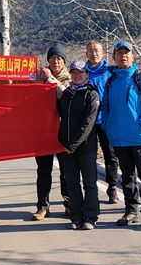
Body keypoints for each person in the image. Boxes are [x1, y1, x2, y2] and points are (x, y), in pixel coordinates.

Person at [101, 41, 141, 231]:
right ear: (114, 57)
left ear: (132, 56)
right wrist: (108, 125)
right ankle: (131, 211)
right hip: (119, 139)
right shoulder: (111, 81)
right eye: (119, 53)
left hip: (140, 137)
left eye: (126, 53)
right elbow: (105, 106)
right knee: (127, 177)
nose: (123, 56)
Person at [58, 61, 101, 230]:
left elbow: (88, 123)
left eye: (80, 72)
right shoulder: (66, 94)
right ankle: (76, 216)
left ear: (87, 75)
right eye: (74, 72)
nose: (77, 75)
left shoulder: (91, 94)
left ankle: (91, 216)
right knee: (72, 183)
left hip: (85, 146)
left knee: (89, 183)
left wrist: (73, 144)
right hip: (67, 147)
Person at [32, 44, 71, 221]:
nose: (56, 61)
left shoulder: (71, 77)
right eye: (52, 58)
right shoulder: (38, 78)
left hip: (64, 131)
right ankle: (42, 206)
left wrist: (51, 80)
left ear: (64, 61)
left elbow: (67, 96)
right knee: (43, 170)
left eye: (59, 58)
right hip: (43, 131)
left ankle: (69, 205)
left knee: (66, 171)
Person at [85, 41, 120, 204]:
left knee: (111, 155)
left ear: (103, 52)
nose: (94, 54)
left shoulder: (110, 71)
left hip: (106, 119)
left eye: (97, 50)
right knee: (88, 156)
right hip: (88, 122)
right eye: (91, 51)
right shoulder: (81, 72)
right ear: (86, 54)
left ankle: (112, 187)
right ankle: (90, 188)